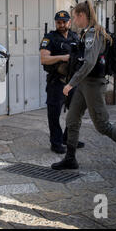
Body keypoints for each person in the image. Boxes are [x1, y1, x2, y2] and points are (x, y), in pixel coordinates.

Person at [51, 1, 116, 171]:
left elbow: (88, 63)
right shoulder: (87, 32)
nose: (73, 20)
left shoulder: (93, 34)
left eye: (74, 17)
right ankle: (70, 158)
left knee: (101, 124)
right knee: (72, 119)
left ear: (82, 15)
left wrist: (70, 84)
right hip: (84, 83)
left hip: (93, 84)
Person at [40, 10, 85, 154]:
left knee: (76, 111)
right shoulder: (50, 38)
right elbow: (44, 59)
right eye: (59, 22)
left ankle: (68, 138)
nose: (61, 24)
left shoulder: (75, 36)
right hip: (56, 82)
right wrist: (62, 57)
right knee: (54, 113)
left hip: (72, 82)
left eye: (64, 22)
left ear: (69, 22)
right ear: (56, 23)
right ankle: (56, 142)